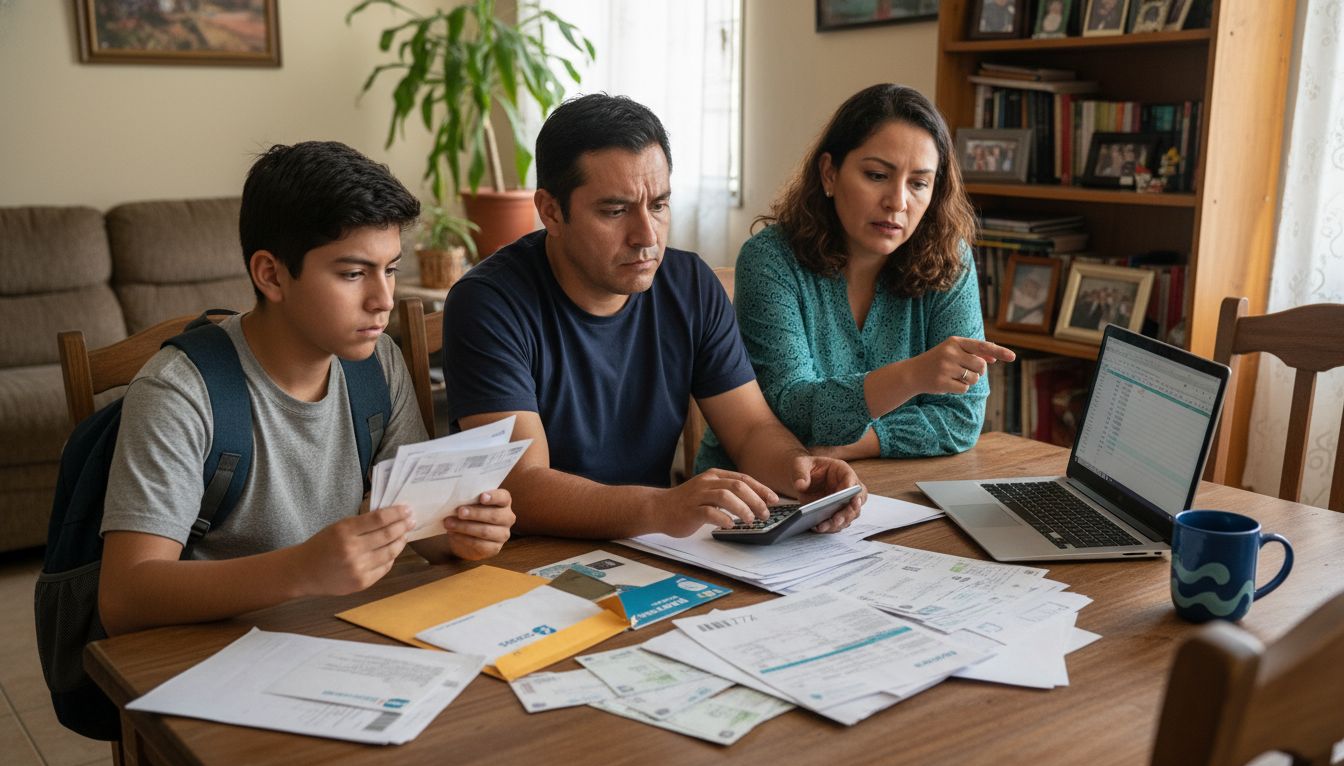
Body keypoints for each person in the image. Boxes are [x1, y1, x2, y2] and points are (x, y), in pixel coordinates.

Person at [98, 142, 516, 636]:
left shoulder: (378, 361)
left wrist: (460, 533)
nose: (383, 300)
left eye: (390, 269)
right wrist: (301, 570)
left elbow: (413, 524)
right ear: (271, 275)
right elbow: (125, 597)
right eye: (353, 273)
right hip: (214, 647)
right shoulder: (180, 392)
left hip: (339, 631)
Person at [442, 94, 865, 540]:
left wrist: (801, 470)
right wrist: (662, 506)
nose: (646, 236)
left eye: (659, 205)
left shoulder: (690, 284)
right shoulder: (488, 303)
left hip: (652, 546)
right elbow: (521, 486)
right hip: (534, 555)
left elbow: (751, 429)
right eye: (615, 211)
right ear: (551, 211)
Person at [696, 85, 1016, 469]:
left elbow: (962, 418)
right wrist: (912, 376)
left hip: (882, 485)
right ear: (829, 173)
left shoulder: (950, 259)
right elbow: (790, 408)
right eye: (877, 175)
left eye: (918, 183)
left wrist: (854, 445)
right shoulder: (770, 260)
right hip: (756, 487)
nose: (897, 202)